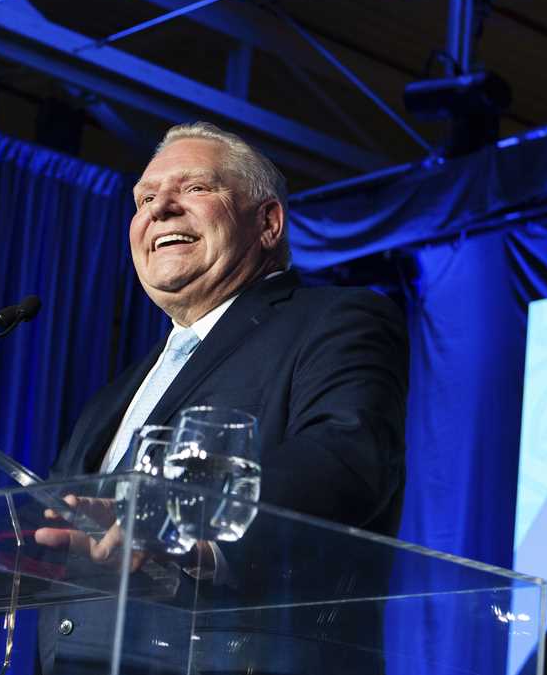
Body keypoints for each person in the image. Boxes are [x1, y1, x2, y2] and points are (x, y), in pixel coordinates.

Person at [34, 121, 409, 674]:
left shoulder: (335, 321)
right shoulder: (115, 394)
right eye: (144, 199)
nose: (160, 209)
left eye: (194, 188)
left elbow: (347, 456)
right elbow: (57, 528)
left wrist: (172, 521)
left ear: (268, 222)